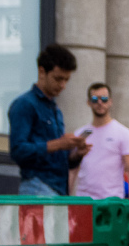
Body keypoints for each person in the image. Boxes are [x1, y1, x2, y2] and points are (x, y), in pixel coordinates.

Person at [9, 44, 88, 196]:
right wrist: (59, 144)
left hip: (57, 188)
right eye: (58, 79)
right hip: (36, 185)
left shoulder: (55, 110)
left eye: (66, 80)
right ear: (42, 71)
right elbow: (17, 150)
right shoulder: (25, 104)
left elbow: (56, 157)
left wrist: (76, 155)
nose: (63, 85)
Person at [69, 83, 129, 201]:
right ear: (88, 102)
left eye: (104, 99)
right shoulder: (80, 134)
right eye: (95, 99)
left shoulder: (124, 133)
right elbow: (72, 170)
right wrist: (67, 200)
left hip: (111, 202)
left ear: (110, 101)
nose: (100, 103)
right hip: (83, 201)